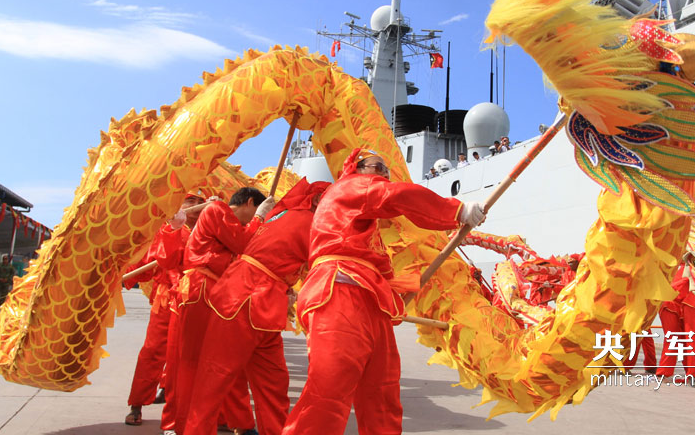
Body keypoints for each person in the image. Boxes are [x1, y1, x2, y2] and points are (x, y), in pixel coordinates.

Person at [281, 149, 486, 435]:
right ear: (356, 170)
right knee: (330, 389)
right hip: (338, 292)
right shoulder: (349, 188)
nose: (384, 176)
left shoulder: (363, 223)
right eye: (378, 168)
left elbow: (379, 270)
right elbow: (396, 196)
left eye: (387, 171)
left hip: (368, 300)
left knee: (382, 393)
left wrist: (409, 289)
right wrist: (456, 211)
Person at [185, 179, 331, 435]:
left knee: (267, 382)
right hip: (242, 299)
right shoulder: (308, 222)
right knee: (218, 379)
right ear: (319, 201)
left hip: (255, 302)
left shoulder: (285, 216)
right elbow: (328, 264)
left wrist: (287, 288)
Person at [174, 187, 274, 434]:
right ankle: (186, 425)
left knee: (225, 361)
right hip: (202, 289)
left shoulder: (225, 219)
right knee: (193, 362)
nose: (254, 219)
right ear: (250, 202)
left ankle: (238, 421)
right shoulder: (217, 209)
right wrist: (260, 219)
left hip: (216, 292)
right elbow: (244, 243)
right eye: (255, 211)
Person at [124, 193, 205, 427]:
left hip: (195, 298)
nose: (194, 208)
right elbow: (151, 260)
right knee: (153, 350)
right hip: (166, 298)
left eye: (197, 203)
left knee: (191, 354)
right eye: (189, 203)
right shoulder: (168, 228)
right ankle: (137, 404)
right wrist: (124, 275)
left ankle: (182, 405)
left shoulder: (207, 228)